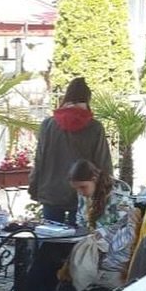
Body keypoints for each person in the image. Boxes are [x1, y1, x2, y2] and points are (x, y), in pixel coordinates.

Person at [29, 77, 112, 225]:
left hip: (51, 192)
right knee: (81, 235)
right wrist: (105, 191)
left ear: (66, 96)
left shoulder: (48, 125)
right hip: (82, 192)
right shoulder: (94, 127)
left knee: (50, 236)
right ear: (87, 99)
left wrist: (34, 187)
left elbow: (39, 159)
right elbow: (102, 161)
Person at [63, 158, 140, 291]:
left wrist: (99, 236)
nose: (80, 192)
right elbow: (81, 219)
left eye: (83, 187)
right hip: (93, 243)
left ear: (94, 179)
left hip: (115, 252)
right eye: (77, 189)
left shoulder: (119, 195)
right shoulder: (85, 194)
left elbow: (125, 227)